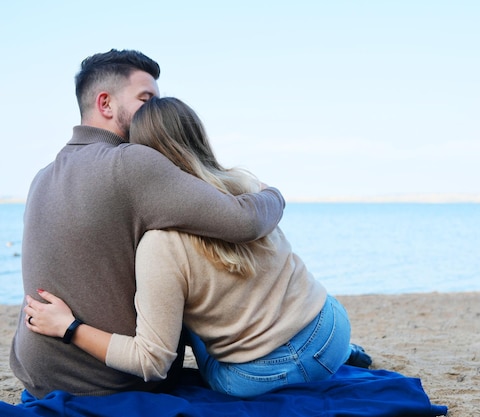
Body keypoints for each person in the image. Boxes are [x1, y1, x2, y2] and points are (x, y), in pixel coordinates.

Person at [24, 97, 370, 399]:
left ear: (141, 157)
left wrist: (69, 327)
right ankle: (340, 357)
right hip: (332, 330)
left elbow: (152, 362)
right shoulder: (246, 186)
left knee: (198, 347)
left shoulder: (159, 246)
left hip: (266, 373)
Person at [10, 50, 286, 399]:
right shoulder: (130, 163)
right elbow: (244, 222)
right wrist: (273, 194)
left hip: (37, 375)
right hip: (109, 380)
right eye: (147, 99)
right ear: (106, 104)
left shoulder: (42, 176)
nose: (157, 109)